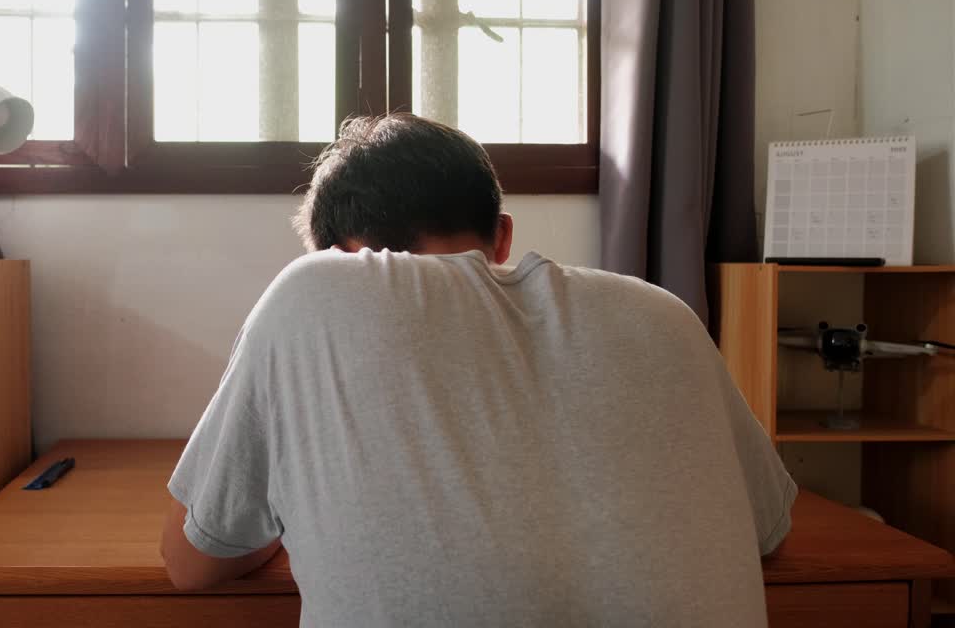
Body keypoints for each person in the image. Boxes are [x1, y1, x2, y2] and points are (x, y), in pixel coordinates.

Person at [160, 113, 795, 626]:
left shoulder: (314, 293)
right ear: (503, 236)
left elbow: (191, 563)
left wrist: (275, 518)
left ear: (339, 255)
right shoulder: (663, 314)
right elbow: (769, 532)